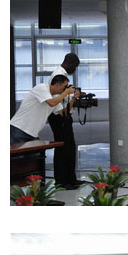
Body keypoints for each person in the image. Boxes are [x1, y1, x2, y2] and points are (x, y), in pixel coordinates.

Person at [47, 52, 82, 188]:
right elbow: (56, 98)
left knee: (69, 148)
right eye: (75, 67)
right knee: (63, 148)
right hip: (59, 116)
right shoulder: (58, 75)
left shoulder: (62, 74)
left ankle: (70, 179)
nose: (75, 70)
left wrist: (73, 96)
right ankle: (62, 181)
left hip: (63, 115)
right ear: (70, 64)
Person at [11, 74, 75, 144]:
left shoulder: (55, 97)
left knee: (38, 150)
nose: (66, 89)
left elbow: (64, 113)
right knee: (20, 152)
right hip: (18, 128)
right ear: (58, 85)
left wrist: (73, 98)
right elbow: (51, 103)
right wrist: (66, 93)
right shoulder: (42, 88)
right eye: (65, 86)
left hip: (33, 133)